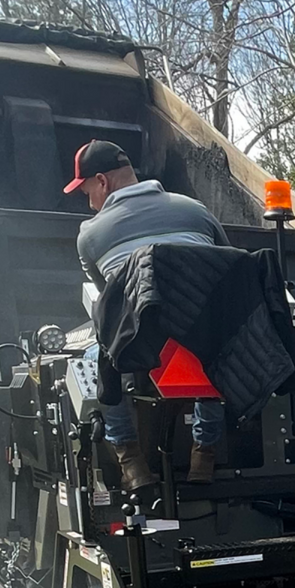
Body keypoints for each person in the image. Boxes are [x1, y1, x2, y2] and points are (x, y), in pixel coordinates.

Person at [67, 139, 226, 492]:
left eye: (87, 190)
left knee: (96, 357)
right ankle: (205, 454)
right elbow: (224, 266)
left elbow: (110, 301)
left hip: (141, 344)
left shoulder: (90, 235)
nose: (88, 200)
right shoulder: (197, 211)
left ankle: (131, 463)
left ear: (103, 182)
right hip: (203, 341)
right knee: (214, 341)